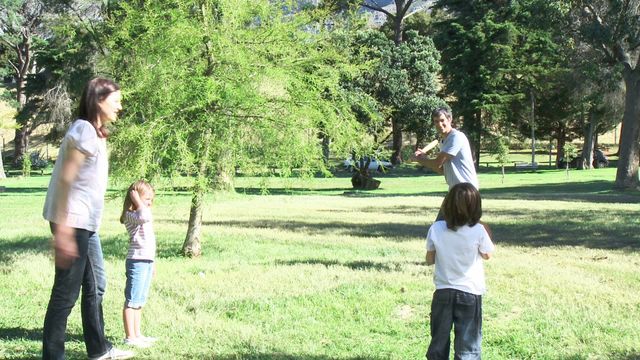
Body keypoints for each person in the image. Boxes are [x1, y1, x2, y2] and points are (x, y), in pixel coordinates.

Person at [42, 78, 134, 360]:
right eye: (116, 101)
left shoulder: (94, 134)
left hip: (84, 223)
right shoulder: (83, 130)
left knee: (96, 284)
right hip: (72, 222)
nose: (120, 106)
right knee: (65, 294)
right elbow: (66, 180)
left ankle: (99, 349)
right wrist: (64, 233)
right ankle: (52, 356)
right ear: (98, 100)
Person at [425, 183, 495, 360]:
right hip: (470, 293)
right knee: (468, 346)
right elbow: (487, 255)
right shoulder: (479, 230)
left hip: (442, 292)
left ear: (446, 205)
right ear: (475, 207)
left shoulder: (436, 228)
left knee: (438, 342)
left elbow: (429, 259)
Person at [411, 107, 479, 220]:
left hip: (466, 190)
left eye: (442, 120)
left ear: (450, 119)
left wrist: (419, 159)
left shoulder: (456, 137)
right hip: (454, 190)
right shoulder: (444, 141)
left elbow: (437, 162)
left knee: (459, 227)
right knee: (444, 225)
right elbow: (441, 169)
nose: (439, 124)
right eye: (436, 121)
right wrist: (424, 158)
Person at [120, 180, 158, 348]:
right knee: (132, 300)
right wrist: (137, 202)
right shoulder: (131, 216)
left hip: (146, 260)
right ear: (134, 198)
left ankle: (137, 334)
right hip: (136, 261)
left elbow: (150, 240)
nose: (149, 203)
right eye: (146, 199)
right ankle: (130, 337)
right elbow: (144, 216)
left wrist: (153, 262)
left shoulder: (144, 213)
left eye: (151, 199)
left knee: (140, 300)